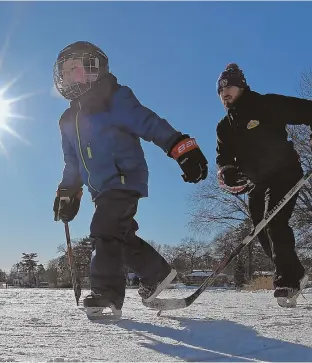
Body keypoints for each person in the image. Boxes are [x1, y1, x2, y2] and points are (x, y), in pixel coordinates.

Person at [52, 41, 208, 318]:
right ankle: (156, 273)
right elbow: (72, 161)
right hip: (99, 189)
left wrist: (181, 147)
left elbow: (148, 123)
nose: (67, 74)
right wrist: (68, 192)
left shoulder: (113, 98)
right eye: (64, 70)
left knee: (104, 228)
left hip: (124, 176)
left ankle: (106, 295)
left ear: (92, 69)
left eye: (74, 67)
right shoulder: (67, 119)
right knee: (118, 235)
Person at [214, 63, 312, 302]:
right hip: (257, 182)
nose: (224, 93)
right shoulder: (224, 127)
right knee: (260, 230)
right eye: (220, 90)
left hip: (285, 172)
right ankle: (296, 272)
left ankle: (287, 281)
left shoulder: (266, 104)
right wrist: (229, 172)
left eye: (229, 86)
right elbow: (223, 158)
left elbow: (311, 111)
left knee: (274, 220)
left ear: (242, 86)